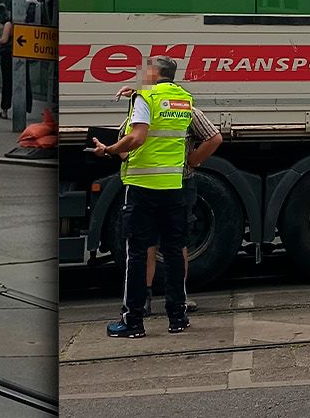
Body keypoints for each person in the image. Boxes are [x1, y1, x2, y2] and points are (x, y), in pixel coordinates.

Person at [95, 55, 197, 338]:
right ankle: (178, 317)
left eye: (144, 69)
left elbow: (138, 137)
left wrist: (109, 150)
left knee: (138, 253)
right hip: (173, 186)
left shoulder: (145, 97)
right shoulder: (183, 98)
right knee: (175, 252)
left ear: (153, 72)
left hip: (142, 187)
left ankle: (133, 321)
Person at [118, 87, 222, 317]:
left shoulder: (146, 109)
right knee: (176, 244)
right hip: (177, 183)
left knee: (148, 243)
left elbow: (124, 142)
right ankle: (176, 304)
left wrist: (115, 152)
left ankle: (146, 301)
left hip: (149, 183)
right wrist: (193, 161)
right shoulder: (183, 109)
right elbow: (214, 136)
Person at [0, 16, 15, 119]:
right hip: (20, 55)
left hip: (8, 55)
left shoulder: (9, 24)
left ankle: (4, 110)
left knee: (7, 82)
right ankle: (23, 108)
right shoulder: (23, 25)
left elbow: (4, 39)